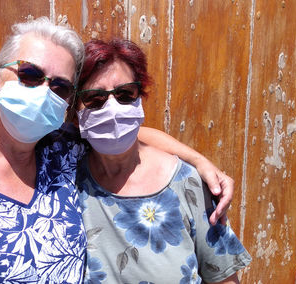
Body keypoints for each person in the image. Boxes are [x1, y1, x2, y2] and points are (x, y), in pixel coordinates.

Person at [0, 18, 234, 283]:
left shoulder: (61, 156)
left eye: (58, 86)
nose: (42, 92)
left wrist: (198, 161)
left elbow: (130, 132)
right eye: (30, 75)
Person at [73, 39, 251, 283]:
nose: (113, 110)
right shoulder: (64, 175)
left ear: (140, 98)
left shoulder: (188, 183)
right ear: (75, 112)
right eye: (95, 99)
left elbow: (223, 277)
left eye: (125, 94)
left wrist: (198, 161)